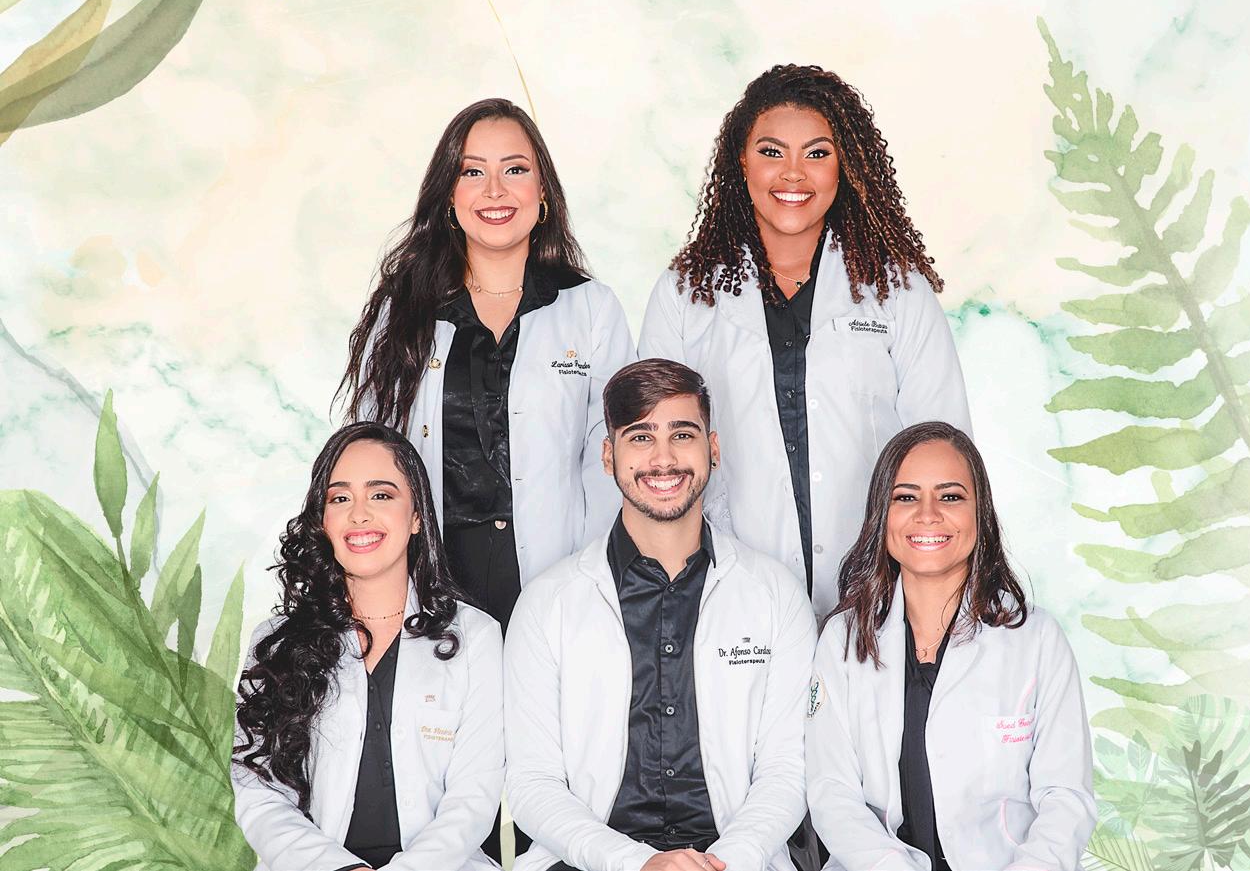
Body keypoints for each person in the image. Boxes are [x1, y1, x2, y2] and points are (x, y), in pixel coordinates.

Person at [639, 64, 971, 620]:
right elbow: (653, 454)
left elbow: (946, 450)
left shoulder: (897, 291)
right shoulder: (686, 294)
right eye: (772, 152)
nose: (793, 173)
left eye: (817, 153)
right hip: (727, 590)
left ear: (846, 166)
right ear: (741, 162)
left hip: (882, 589)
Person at [504, 358, 817, 871]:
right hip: (593, 862)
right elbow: (533, 782)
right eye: (641, 437)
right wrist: (635, 862)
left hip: (735, 859)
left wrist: (726, 860)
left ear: (713, 449)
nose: (664, 458)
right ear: (609, 455)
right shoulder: (547, 604)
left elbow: (787, 770)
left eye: (682, 434)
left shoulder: (775, 595)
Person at [337, 97, 635, 633]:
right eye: (472, 172)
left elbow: (613, 459)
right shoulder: (403, 312)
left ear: (543, 192)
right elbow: (369, 457)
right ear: (449, 197)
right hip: (431, 588)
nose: (494, 191)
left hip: (561, 588)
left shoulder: (590, 308)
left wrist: (591, 581)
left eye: (514, 170)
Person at [805, 422, 1096, 871]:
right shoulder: (843, 639)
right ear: (882, 514)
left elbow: (1066, 798)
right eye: (906, 497)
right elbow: (832, 793)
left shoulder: (1037, 639)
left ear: (981, 513)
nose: (928, 514)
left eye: (951, 496)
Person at [233, 422, 503, 871]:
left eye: (380, 495)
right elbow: (257, 789)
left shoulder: (476, 637)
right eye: (340, 499)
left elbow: (474, 797)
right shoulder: (277, 641)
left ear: (416, 517)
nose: (359, 514)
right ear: (322, 521)